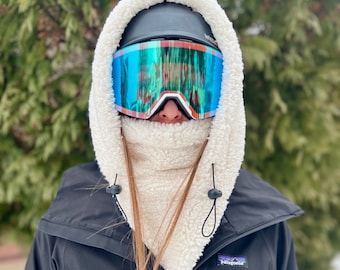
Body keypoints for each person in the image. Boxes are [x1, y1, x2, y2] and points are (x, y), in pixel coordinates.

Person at [25, 0, 303, 269]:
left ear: (225, 94)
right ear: (110, 92)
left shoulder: (263, 229)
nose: (170, 110)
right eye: (146, 88)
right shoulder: (65, 230)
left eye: (191, 89)